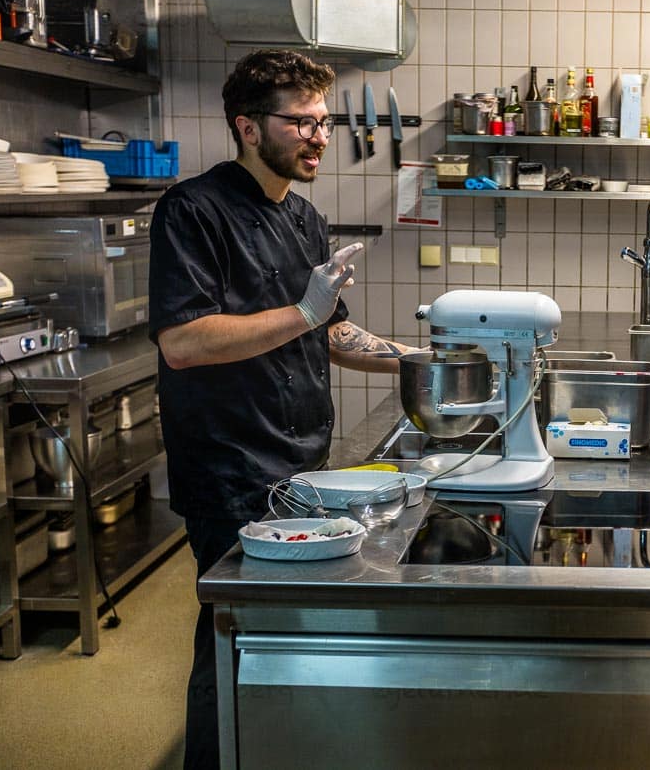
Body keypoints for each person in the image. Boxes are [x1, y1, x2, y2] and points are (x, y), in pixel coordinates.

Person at [148, 49, 419, 770]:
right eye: (301, 122)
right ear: (247, 126)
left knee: (287, 638)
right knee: (234, 639)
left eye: (323, 122)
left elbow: (331, 334)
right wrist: (303, 310)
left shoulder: (303, 217)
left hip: (300, 468)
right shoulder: (193, 211)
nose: (318, 137)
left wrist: (428, 358)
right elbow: (183, 341)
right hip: (231, 470)